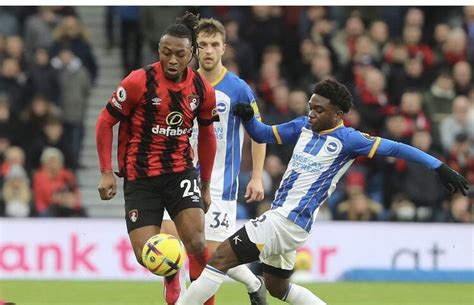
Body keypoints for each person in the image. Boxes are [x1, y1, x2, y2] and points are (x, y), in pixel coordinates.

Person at [177, 79, 469, 305]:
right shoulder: (303, 126)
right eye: (310, 107)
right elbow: (263, 134)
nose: (312, 114)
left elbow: (396, 147)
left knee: (219, 259)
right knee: (278, 289)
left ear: (338, 114)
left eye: (319, 110)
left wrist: (439, 166)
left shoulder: (348, 140)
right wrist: (248, 118)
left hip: (286, 221)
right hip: (287, 222)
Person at [95, 12, 217, 305]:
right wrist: (105, 171)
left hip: (180, 173)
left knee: (198, 244)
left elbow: (208, 137)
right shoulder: (139, 81)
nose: (172, 60)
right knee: (146, 256)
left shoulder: (202, 89)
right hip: (140, 178)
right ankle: (171, 274)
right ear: (159, 50)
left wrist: (206, 183)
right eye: (165, 52)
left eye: (179, 54)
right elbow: (104, 122)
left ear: (192, 54)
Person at [160, 18, 268, 305]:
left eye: (214, 45)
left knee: (212, 256)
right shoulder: (181, 81)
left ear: (224, 48)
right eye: (203, 45)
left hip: (221, 184)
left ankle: (253, 281)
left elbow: (258, 134)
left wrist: (257, 176)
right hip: (180, 176)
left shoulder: (239, 89)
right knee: (169, 241)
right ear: (195, 49)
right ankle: (173, 283)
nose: (208, 51)